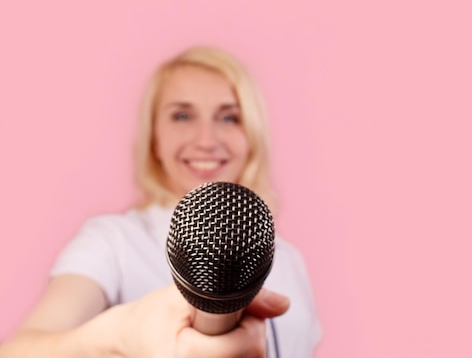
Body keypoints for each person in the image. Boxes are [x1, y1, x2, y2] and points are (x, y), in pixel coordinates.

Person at [0, 46, 322, 358]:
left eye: (229, 118)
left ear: (251, 135)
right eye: (182, 116)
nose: (207, 141)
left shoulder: (290, 259)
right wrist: (120, 338)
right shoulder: (112, 242)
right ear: (155, 140)